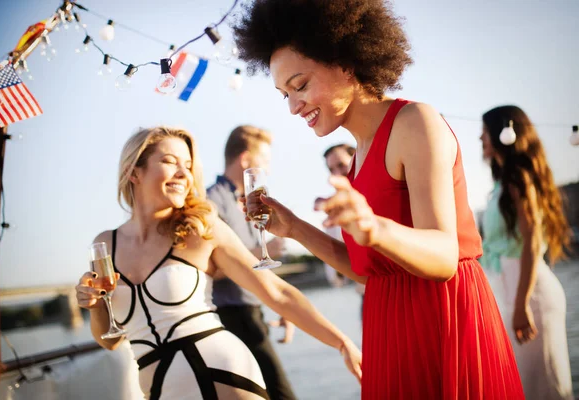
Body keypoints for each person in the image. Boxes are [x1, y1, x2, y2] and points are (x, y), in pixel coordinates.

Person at [233, 1, 524, 398]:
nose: (293, 107)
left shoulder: (414, 122)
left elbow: (442, 257)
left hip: (443, 320)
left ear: (346, 63)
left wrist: (374, 227)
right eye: (284, 94)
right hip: (388, 325)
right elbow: (369, 271)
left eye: (300, 85)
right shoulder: (356, 161)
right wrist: (296, 228)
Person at [74, 127, 361, 400]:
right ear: (134, 171)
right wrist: (96, 306)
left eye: (187, 164)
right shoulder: (105, 245)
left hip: (222, 376)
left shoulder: (200, 226)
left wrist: (340, 342)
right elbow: (110, 340)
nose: (183, 173)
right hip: (158, 389)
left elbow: (276, 292)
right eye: (169, 161)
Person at [480, 105, 574, 400]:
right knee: (524, 388)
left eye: (484, 133)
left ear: (501, 133)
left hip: (530, 294)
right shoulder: (499, 184)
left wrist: (521, 304)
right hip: (512, 293)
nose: (480, 139)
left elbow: (533, 241)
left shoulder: (518, 178)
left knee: (546, 388)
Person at [206, 125, 297, 400]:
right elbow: (212, 268)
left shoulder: (244, 202)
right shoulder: (212, 202)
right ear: (245, 160)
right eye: (264, 162)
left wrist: (279, 303)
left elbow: (255, 262)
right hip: (231, 317)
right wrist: (260, 253)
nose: (267, 170)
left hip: (252, 313)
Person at [322, 144, 365, 318]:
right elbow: (336, 278)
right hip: (367, 298)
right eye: (331, 169)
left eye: (341, 165)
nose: (337, 173)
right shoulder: (334, 213)